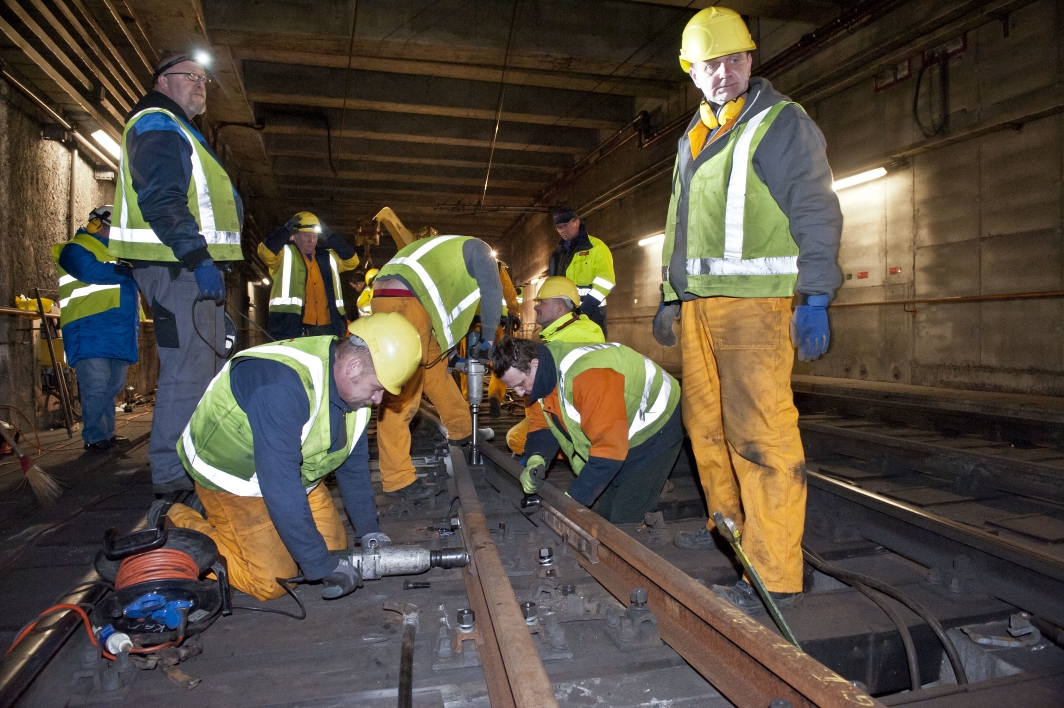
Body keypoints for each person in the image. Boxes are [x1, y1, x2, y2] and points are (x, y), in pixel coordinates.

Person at [654, 7, 843, 611]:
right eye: (712, 63)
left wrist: (815, 295)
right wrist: (669, 293)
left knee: (761, 437)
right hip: (698, 310)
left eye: (736, 59)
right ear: (691, 70)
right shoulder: (693, 137)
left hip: (756, 310)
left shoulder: (781, 124)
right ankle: (739, 550)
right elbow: (678, 225)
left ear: (751, 61)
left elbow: (815, 208)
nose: (726, 72)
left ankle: (777, 573)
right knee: (705, 433)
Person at [161, 312, 422, 601]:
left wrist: (369, 530)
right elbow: (280, 486)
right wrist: (319, 565)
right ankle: (174, 520)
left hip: (290, 473)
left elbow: (353, 465)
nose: (378, 400)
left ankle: (241, 530)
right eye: (376, 388)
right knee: (274, 580)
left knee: (336, 549)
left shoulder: (355, 392)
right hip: (232, 476)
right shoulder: (282, 388)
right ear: (353, 366)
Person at [109, 52, 243, 498]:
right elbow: (164, 197)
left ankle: (200, 461)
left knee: (204, 367)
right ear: (163, 81)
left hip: (188, 269)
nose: (201, 84)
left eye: (204, 78)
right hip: (177, 267)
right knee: (188, 370)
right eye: (191, 76)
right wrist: (197, 257)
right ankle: (173, 478)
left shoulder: (179, 129)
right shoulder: (157, 124)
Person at [493, 337, 682, 524]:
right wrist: (537, 458)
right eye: (513, 388)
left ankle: (649, 489)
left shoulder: (588, 377)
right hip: (618, 426)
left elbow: (608, 451)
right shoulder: (544, 371)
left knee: (624, 517)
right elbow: (542, 423)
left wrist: (572, 500)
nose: (518, 393)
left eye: (520, 384)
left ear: (534, 364)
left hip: (657, 422)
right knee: (605, 512)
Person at [371, 235, 503, 501]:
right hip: (406, 301)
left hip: (396, 297)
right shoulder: (481, 249)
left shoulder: (446, 255)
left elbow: (441, 312)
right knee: (403, 391)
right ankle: (397, 479)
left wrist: (453, 357)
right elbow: (492, 291)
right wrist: (489, 339)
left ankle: (462, 430)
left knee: (434, 370)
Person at [51, 205, 140, 451]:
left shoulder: (118, 256)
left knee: (113, 386)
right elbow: (89, 271)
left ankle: (105, 434)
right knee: (96, 386)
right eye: (115, 229)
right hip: (88, 329)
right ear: (97, 225)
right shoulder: (75, 249)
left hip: (117, 332)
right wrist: (127, 271)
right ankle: (94, 436)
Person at [505, 276, 604, 455]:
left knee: (517, 439)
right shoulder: (570, 331)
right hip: (572, 410)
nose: (536, 306)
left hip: (579, 415)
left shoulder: (572, 339)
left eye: (541, 302)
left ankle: (579, 449)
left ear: (559, 308)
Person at [259, 212, 359, 339]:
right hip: (292, 325)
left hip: (328, 326)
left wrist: (330, 236)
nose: (311, 240)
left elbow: (353, 261)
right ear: (294, 235)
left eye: (315, 236)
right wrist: (284, 231)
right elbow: (265, 253)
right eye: (306, 235)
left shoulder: (327, 257)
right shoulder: (284, 255)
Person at [548, 207, 615, 337]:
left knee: (592, 351)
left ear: (577, 222)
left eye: (566, 225)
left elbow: (606, 282)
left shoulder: (595, 247)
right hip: (565, 313)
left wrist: (584, 310)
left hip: (592, 313)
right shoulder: (558, 252)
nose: (563, 231)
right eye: (559, 227)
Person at [485, 260, 520, 418]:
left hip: (470, 324)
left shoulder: (462, 267)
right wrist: (514, 312)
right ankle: (495, 396)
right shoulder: (496, 266)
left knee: (468, 362)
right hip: (493, 323)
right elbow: (509, 292)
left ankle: (467, 401)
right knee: (498, 361)